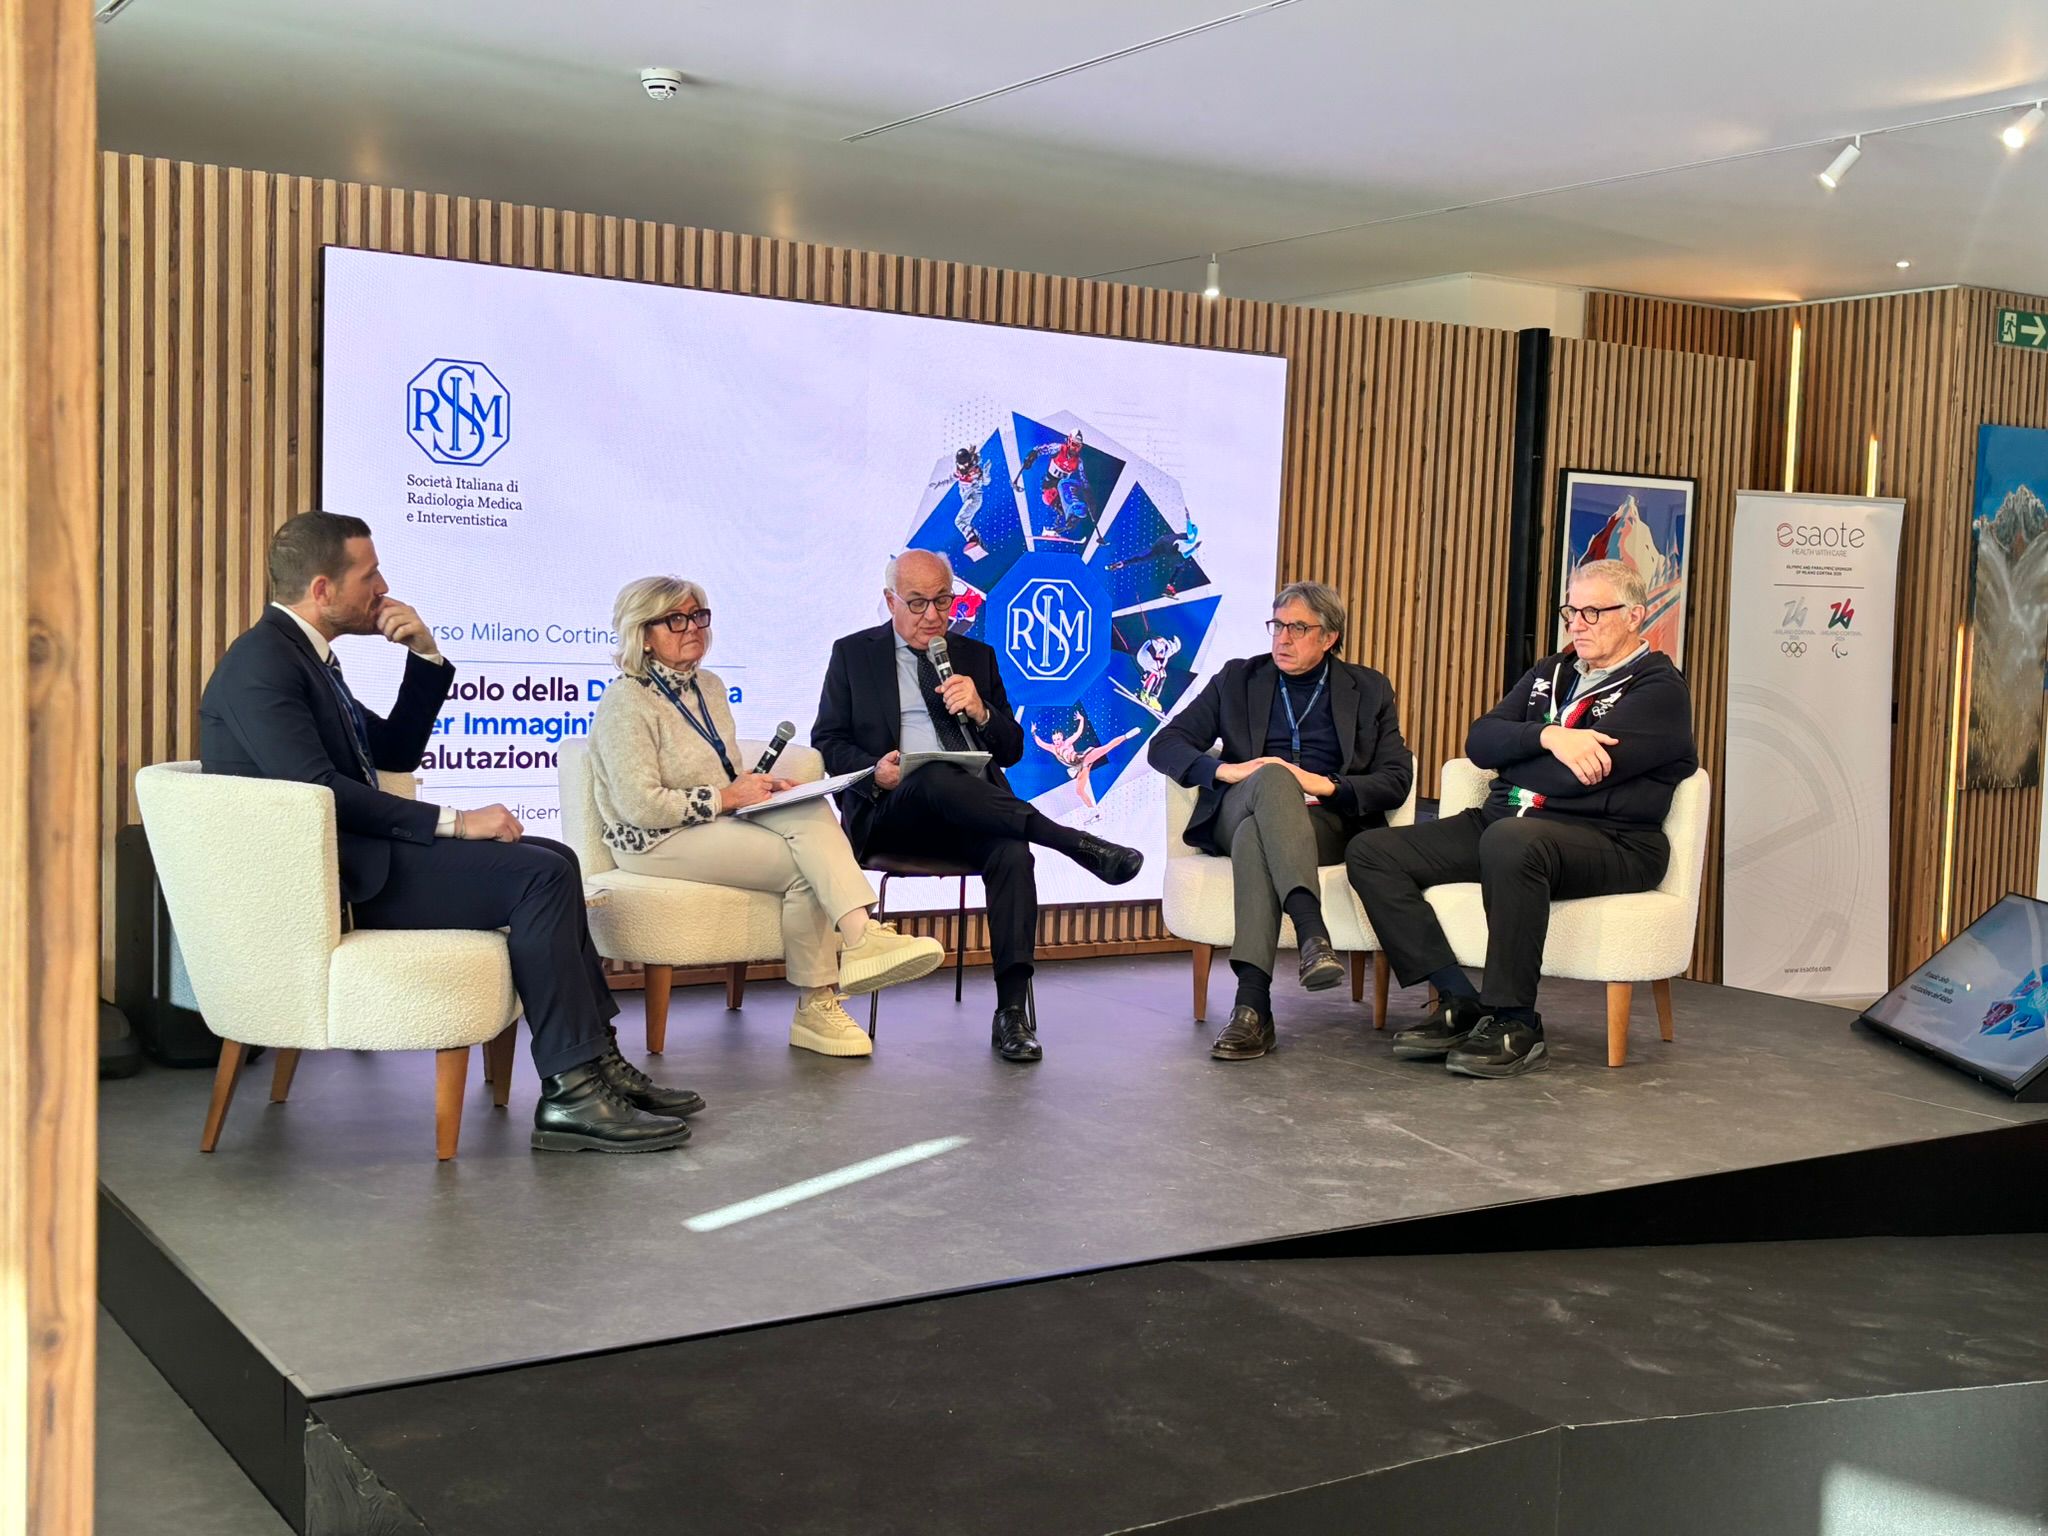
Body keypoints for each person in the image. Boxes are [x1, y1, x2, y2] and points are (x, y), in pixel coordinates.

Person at [198, 512, 699, 1153]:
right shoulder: (262, 664)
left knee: (555, 857)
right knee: (539, 876)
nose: (383, 588)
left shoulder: (305, 657)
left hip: (356, 861)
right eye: (370, 575)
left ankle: (596, 1062)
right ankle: (573, 1094)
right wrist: (456, 823)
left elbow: (394, 751)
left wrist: (426, 657)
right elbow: (321, 789)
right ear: (322, 590)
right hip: (329, 888)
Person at [1346, 559, 1698, 1078]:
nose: (1578, 624)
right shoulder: (1550, 672)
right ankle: (1458, 1000)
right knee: (1372, 851)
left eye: (1594, 612)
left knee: (1512, 840)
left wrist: (1513, 759)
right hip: (1506, 826)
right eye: (1571, 611)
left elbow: (1576, 780)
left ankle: (1515, 1022)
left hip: (1612, 841)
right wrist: (1549, 736)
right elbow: (1480, 740)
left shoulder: (1659, 689)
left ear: (1634, 616)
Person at [588, 576, 947, 1059]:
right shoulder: (625, 702)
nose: (693, 627)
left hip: (707, 820)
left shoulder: (709, 686)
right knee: (806, 868)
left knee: (809, 805)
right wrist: (727, 796)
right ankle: (821, 998)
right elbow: (641, 805)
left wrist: (761, 788)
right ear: (643, 634)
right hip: (651, 839)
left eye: (699, 616)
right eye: (676, 619)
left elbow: (718, 769)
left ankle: (861, 940)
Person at [812, 549, 1145, 1062]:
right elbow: (828, 742)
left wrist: (983, 711)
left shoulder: (975, 657)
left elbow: (1010, 750)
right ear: (890, 601)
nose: (933, 615)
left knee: (1012, 854)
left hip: (973, 813)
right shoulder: (854, 654)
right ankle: (1073, 842)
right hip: (892, 811)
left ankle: (1012, 1012)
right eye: (917, 603)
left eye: (942, 601)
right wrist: (874, 769)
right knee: (932, 773)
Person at [1149, 581, 1412, 1060]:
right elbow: (1164, 745)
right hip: (1239, 806)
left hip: (1323, 821)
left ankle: (1253, 1009)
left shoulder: (1369, 689)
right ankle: (1312, 931)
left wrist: (1323, 784)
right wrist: (1225, 771)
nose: (1283, 639)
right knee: (1271, 778)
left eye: (1298, 628)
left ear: (1329, 637)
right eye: (1277, 625)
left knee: (1258, 837)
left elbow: (1396, 778)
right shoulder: (1237, 679)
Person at [1030, 706, 1141, 808]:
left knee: (1107, 748)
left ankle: (1127, 736)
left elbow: (1078, 732)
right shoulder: (1053, 748)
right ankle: (1094, 812)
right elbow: (1040, 743)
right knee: (1079, 791)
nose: (1057, 741)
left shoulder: (1068, 742)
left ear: (1062, 737)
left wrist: (1081, 719)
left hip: (1085, 758)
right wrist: (1033, 733)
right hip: (1080, 768)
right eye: (1054, 740)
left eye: (1058, 739)